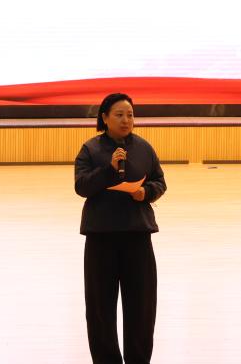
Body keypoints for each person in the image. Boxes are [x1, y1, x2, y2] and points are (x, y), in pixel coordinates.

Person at [75, 93, 167, 364]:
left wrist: (146, 192)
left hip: (137, 235)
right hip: (101, 237)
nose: (126, 120)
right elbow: (82, 186)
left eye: (130, 115)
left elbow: (160, 182)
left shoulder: (144, 148)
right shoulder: (90, 149)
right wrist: (109, 169)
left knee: (141, 307)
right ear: (104, 118)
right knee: (100, 309)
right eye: (119, 115)